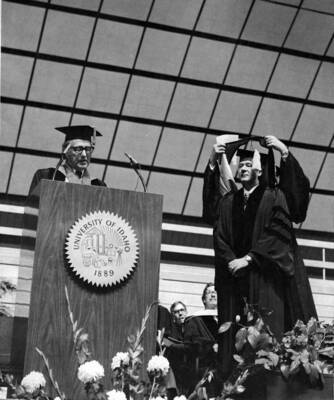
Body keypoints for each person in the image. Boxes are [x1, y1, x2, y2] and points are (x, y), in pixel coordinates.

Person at [204, 136, 317, 378]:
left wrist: (283, 151)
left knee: (264, 337)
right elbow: (218, 231)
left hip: (265, 280)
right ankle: (233, 386)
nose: (243, 169)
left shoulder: (274, 197)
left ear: (259, 170)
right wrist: (213, 162)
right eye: (240, 166)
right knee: (234, 337)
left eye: (248, 165)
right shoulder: (228, 202)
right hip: (235, 281)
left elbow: (281, 230)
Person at [29, 125, 106, 194]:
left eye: (88, 149)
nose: (84, 155)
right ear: (65, 151)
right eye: (78, 149)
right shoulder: (47, 176)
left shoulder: (98, 185)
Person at [184, 283, 219, 397]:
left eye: (215, 292)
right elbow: (190, 342)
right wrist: (210, 346)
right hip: (204, 370)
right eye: (209, 292)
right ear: (204, 300)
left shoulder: (226, 320)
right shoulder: (195, 319)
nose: (213, 294)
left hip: (223, 370)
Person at [163, 302, 192, 397]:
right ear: (173, 316)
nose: (180, 313)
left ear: (186, 312)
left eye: (182, 310)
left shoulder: (193, 328)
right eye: (176, 312)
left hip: (190, 371)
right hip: (176, 371)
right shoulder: (171, 332)